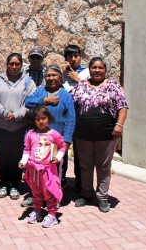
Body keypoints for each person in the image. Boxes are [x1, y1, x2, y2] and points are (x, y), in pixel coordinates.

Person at [70, 57, 128, 213]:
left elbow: (123, 106)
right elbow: (70, 103)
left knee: (103, 167)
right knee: (85, 166)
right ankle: (86, 194)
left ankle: (102, 197)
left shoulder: (113, 86)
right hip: (82, 135)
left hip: (106, 135)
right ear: (89, 70)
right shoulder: (81, 85)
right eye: (94, 68)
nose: (97, 70)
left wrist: (119, 125)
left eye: (100, 68)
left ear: (105, 70)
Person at [23, 65, 75, 206]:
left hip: (56, 142)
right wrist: (45, 101)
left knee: (55, 172)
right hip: (38, 141)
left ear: (60, 77)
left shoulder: (65, 95)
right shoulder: (40, 92)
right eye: (48, 75)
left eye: (54, 75)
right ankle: (35, 195)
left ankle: (53, 197)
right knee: (36, 170)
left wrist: (67, 139)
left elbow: (71, 118)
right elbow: (27, 102)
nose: (51, 78)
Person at [0, 53, 36, 200]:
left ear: (21, 65)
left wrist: (16, 116)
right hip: (0, 127)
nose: (14, 67)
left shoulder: (28, 82)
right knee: (2, 155)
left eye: (17, 64)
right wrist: (4, 113)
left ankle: (15, 185)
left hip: (19, 127)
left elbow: (31, 101)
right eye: (11, 64)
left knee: (16, 155)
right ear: (7, 65)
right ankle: (4, 184)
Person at [19, 105, 66, 228]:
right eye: (38, 119)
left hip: (48, 170)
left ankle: (52, 214)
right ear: (34, 120)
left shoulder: (54, 134)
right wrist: (23, 162)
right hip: (34, 170)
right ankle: (37, 211)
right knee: (36, 192)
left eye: (43, 118)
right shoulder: (30, 134)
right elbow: (27, 149)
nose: (41, 121)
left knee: (49, 192)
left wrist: (58, 157)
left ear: (48, 119)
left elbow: (62, 146)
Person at [60, 44, 90, 193]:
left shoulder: (86, 73)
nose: (73, 59)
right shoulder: (62, 73)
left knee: (80, 153)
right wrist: (61, 73)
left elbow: (92, 92)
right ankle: (61, 178)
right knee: (62, 150)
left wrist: (78, 79)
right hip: (64, 119)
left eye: (76, 56)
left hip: (80, 118)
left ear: (80, 57)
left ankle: (80, 183)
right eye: (70, 56)